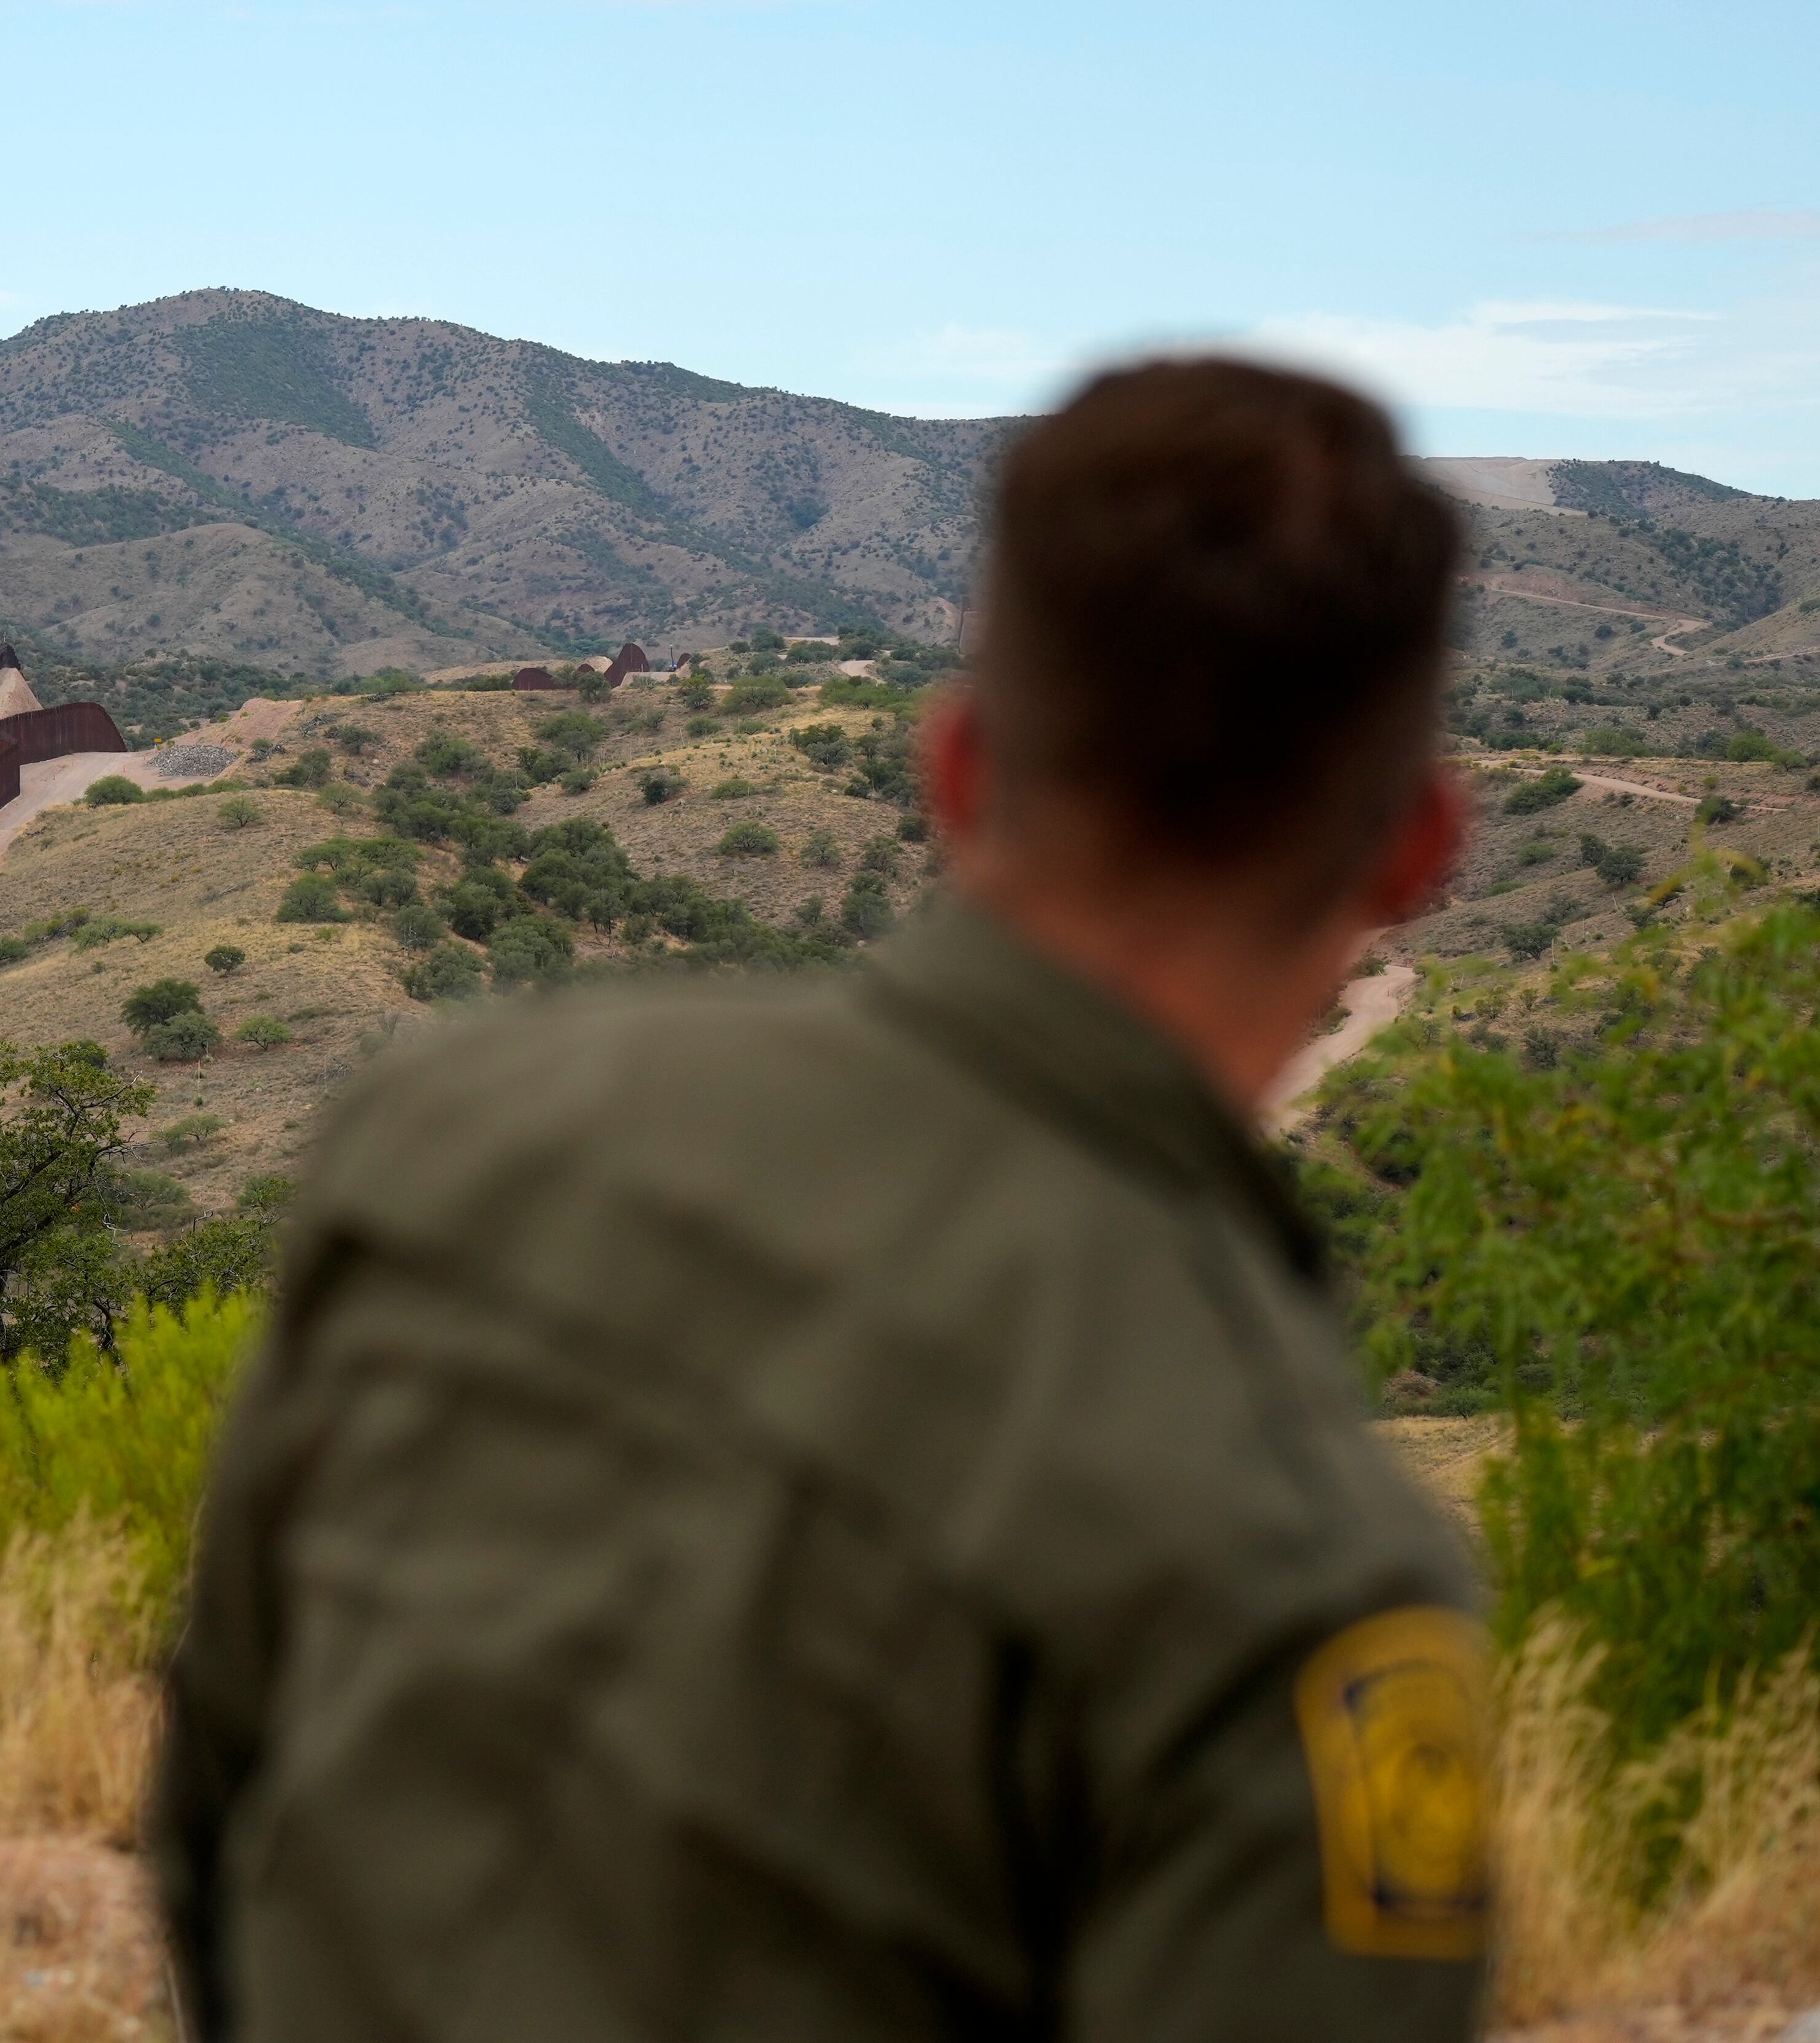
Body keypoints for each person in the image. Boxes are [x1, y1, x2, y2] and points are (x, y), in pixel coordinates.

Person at [155, 359, 1491, 2042]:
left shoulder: (449, 1131)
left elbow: (220, 1810)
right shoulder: (1305, 1568)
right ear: (1418, 851)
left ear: (957, 766)